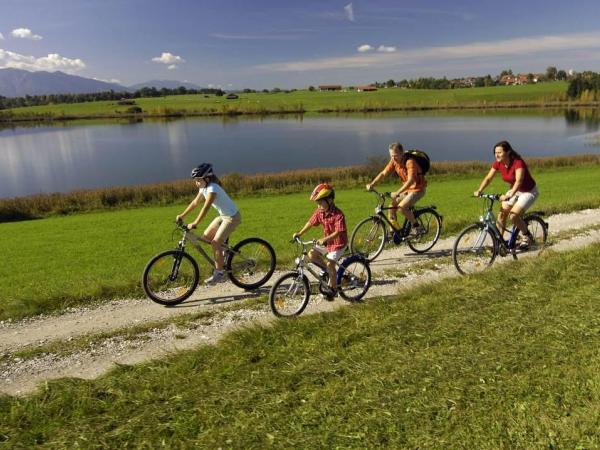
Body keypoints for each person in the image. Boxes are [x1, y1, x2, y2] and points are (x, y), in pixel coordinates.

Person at [176, 163, 241, 284]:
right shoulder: (203, 188)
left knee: (215, 242)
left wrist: (195, 222)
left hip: (232, 217)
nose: (196, 183)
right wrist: (182, 215)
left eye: (198, 180)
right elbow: (195, 203)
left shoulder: (213, 189)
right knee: (206, 237)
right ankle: (224, 253)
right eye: (195, 180)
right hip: (223, 216)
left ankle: (220, 273)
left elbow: (205, 208)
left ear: (207, 178)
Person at [474, 140, 539, 248]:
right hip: (515, 190)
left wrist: (509, 195)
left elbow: (519, 181)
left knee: (513, 215)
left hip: (528, 191)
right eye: (495, 152)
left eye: (499, 152)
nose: (496, 155)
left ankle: (527, 236)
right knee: (502, 214)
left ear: (508, 152)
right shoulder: (498, 163)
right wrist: (480, 190)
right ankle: (500, 243)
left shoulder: (518, 162)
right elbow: (489, 178)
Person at [293, 183, 347, 300]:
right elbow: (311, 222)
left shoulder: (338, 214)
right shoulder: (320, 212)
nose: (319, 206)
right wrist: (300, 233)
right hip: (327, 243)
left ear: (330, 200)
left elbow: (338, 232)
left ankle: (333, 290)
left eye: (321, 203)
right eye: (317, 203)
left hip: (338, 244)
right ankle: (330, 273)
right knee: (311, 254)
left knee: (330, 263)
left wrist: (324, 239)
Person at [366, 142, 427, 235]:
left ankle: (417, 227)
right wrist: (372, 184)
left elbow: (410, 180)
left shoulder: (410, 162)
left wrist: (398, 192)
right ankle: (395, 232)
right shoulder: (394, 161)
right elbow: (383, 173)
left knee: (402, 207)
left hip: (418, 189)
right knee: (391, 207)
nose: (393, 158)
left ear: (402, 153)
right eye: (391, 156)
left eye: (395, 155)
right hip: (407, 190)